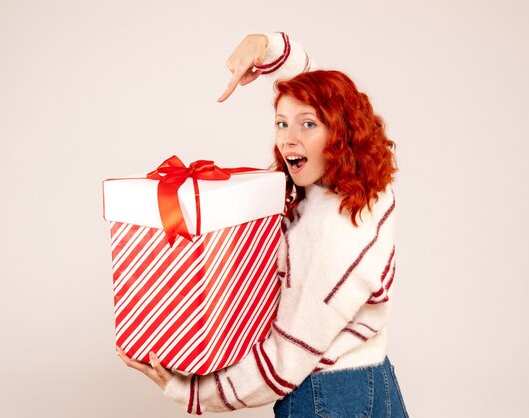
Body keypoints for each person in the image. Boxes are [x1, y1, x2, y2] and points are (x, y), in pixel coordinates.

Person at [118, 32, 409, 417]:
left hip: (325, 395)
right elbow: (316, 89)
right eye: (280, 123)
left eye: (307, 126)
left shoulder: (329, 234)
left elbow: (286, 359)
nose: (288, 139)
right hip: (375, 380)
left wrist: (190, 391)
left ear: (340, 132)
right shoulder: (367, 186)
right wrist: (265, 46)